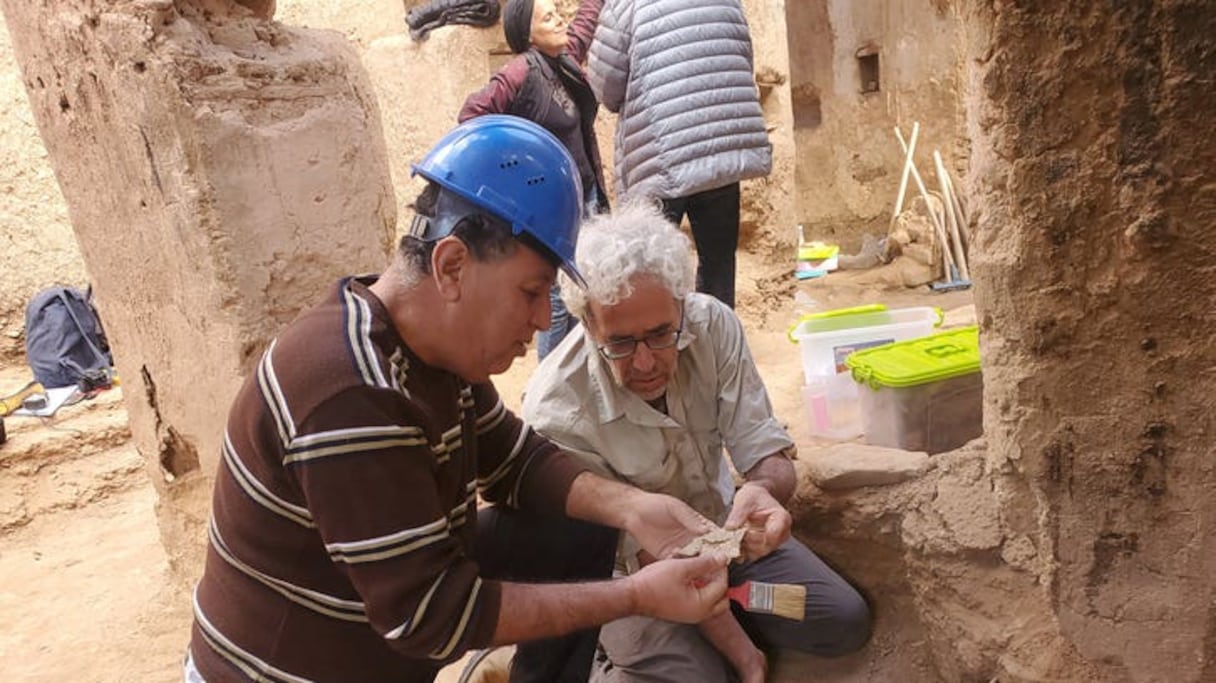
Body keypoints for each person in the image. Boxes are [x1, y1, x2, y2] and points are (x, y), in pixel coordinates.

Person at [185, 116, 730, 683]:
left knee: (581, 523)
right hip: (282, 670)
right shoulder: (351, 391)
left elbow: (517, 461)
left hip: (378, 627)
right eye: (531, 291)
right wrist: (634, 595)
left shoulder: (434, 354)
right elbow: (430, 618)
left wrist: (632, 507)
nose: (544, 318)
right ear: (451, 267)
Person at [522, 202, 872, 683]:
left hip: (722, 541)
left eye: (661, 334)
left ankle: (715, 624)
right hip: (629, 576)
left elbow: (767, 453)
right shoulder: (558, 409)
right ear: (587, 326)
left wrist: (763, 491)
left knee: (842, 619)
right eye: (621, 343)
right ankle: (603, 660)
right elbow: (642, 551)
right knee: (702, 676)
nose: (645, 362)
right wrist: (744, 655)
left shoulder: (713, 327)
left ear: (682, 306)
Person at [586, 0, 772, 310]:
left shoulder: (625, 6)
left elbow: (606, 88)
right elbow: (741, 61)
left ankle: (665, 347)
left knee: (649, 269)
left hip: (659, 159)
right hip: (721, 155)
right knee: (719, 266)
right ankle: (716, 345)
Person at [460, 0, 609, 360]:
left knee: (584, 288)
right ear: (527, 33)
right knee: (557, 296)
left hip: (583, 195)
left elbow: (585, 24)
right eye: (548, 17)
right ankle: (551, 380)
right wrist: (515, 171)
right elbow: (472, 116)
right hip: (549, 205)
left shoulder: (563, 62)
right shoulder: (519, 72)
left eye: (559, 13)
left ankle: (576, 374)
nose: (559, 20)